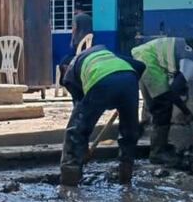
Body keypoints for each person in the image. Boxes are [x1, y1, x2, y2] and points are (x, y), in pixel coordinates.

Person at [130, 37, 193, 163]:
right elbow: (172, 92)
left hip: (144, 56)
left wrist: (181, 93)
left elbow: (174, 83)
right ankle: (158, 153)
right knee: (163, 107)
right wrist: (186, 111)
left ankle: (128, 148)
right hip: (150, 61)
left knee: (155, 107)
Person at [60, 45, 146, 187]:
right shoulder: (105, 53)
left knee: (75, 131)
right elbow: (140, 66)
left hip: (101, 81)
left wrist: (82, 149)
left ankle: (69, 181)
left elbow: (81, 120)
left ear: (64, 67)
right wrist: (124, 97)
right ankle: (125, 178)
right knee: (130, 133)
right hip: (130, 80)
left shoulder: (69, 72)